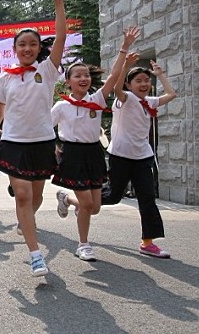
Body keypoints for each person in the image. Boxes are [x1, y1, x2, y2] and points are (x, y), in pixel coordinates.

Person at [0, 0, 66, 277]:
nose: (27, 49)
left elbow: (61, 38)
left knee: (36, 197)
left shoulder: (47, 70)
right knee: (22, 196)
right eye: (22, 45)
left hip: (42, 143)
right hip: (14, 143)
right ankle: (35, 254)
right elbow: (0, 109)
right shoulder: (5, 78)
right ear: (15, 49)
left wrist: (58, 3)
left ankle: (26, 222)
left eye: (32, 44)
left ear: (38, 48)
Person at [51, 25, 140, 261]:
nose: (83, 78)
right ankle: (83, 244)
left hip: (93, 154)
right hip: (72, 154)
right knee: (88, 203)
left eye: (86, 75)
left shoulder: (97, 100)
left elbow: (113, 77)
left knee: (95, 207)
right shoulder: (61, 106)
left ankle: (66, 199)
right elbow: (43, 128)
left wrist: (124, 48)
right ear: (68, 82)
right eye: (77, 75)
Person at [101, 52, 177, 258]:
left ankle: (148, 243)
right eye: (138, 81)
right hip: (121, 156)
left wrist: (160, 75)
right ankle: (79, 202)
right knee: (113, 196)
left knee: (147, 198)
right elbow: (116, 88)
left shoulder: (150, 102)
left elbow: (171, 95)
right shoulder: (125, 100)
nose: (144, 84)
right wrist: (125, 65)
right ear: (129, 84)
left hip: (143, 157)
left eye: (146, 81)